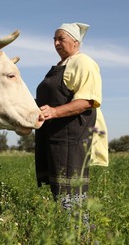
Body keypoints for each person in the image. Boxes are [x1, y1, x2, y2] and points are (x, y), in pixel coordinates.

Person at [35, 22, 108, 214]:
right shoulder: (60, 65)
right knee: (59, 190)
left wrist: (54, 112)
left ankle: (79, 234)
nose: (57, 43)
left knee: (70, 191)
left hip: (71, 136)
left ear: (75, 42)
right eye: (55, 39)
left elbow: (87, 100)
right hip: (54, 135)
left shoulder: (83, 62)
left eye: (61, 39)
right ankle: (66, 232)